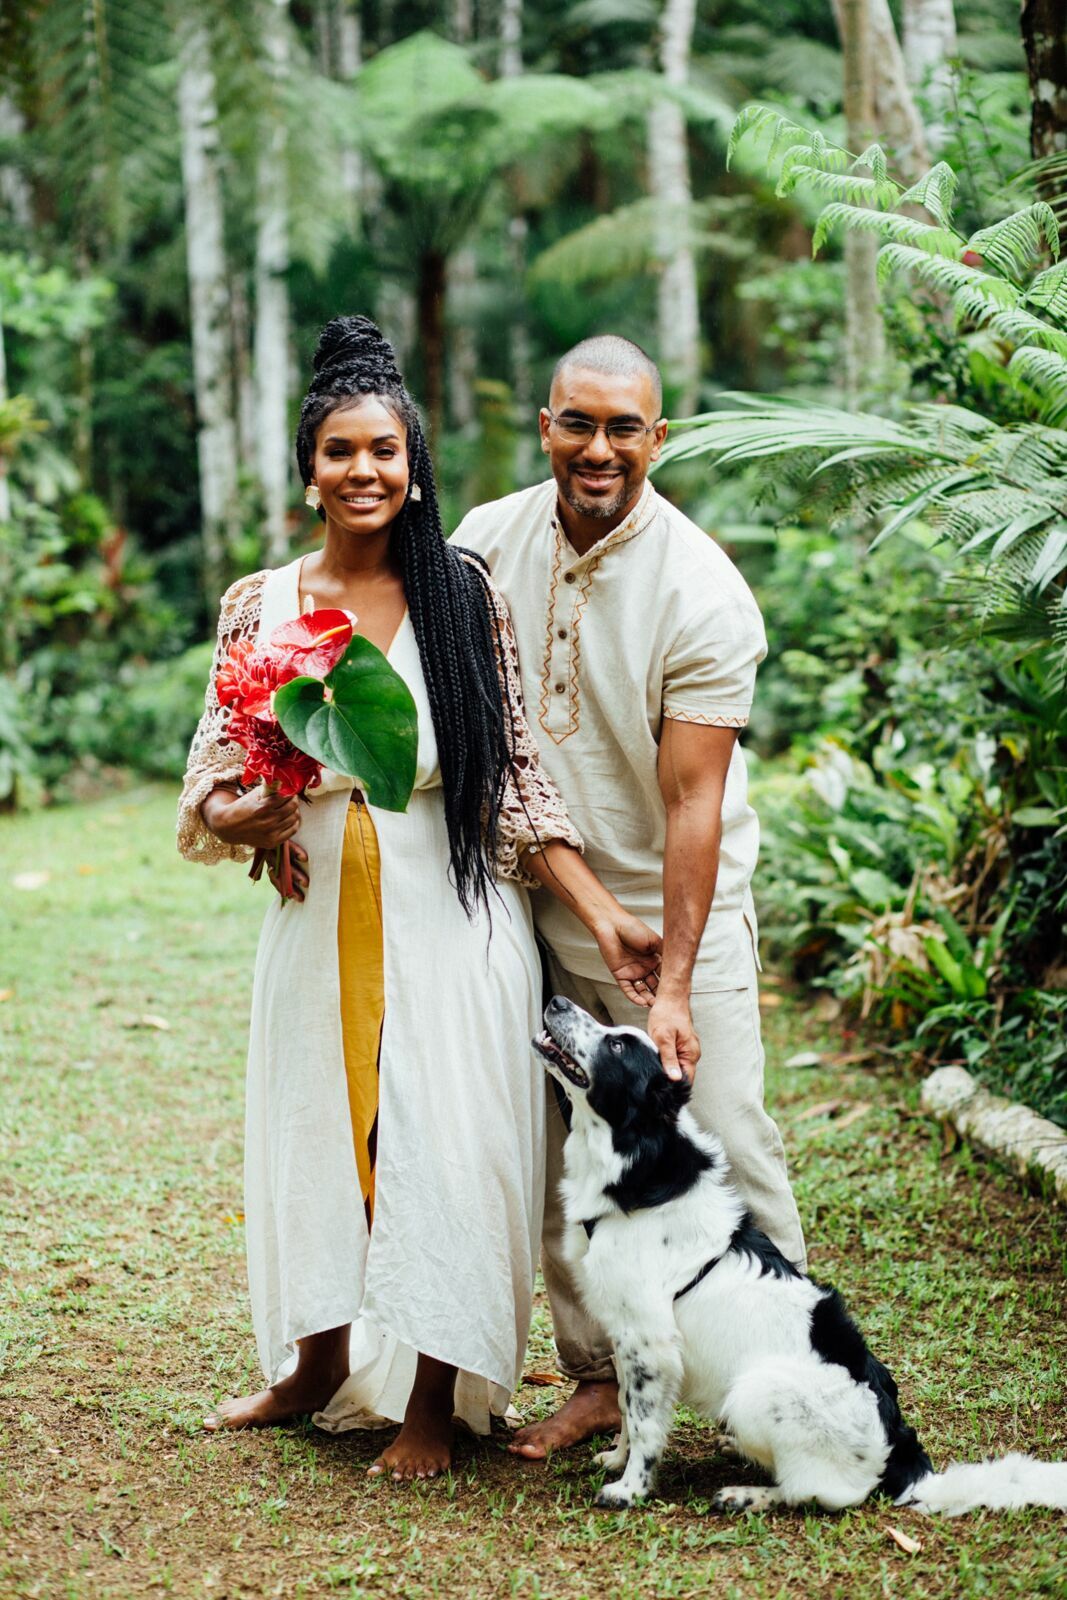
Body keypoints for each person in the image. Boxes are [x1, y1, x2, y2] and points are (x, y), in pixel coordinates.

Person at [177, 317, 661, 1481]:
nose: (364, 471)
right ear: (308, 471)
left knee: (440, 1139)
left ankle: (433, 1398)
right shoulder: (263, 603)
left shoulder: (459, 594)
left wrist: (600, 915)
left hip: (446, 911)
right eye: (340, 451)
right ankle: (314, 1360)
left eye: (384, 450)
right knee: (312, 1132)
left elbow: (516, 781)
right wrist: (240, 814)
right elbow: (209, 771)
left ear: (413, 463)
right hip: (314, 911)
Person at [454, 334, 807, 1460]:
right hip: (537, 898)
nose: (596, 448)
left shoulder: (701, 590)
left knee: (726, 1134)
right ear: (545, 423)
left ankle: (791, 1368)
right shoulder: (480, 548)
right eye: (576, 422)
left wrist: (676, 985)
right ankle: (600, 1377)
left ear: (657, 437)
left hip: (676, 907)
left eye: (622, 428)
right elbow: (478, 748)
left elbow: (693, 803)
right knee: (570, 1149)